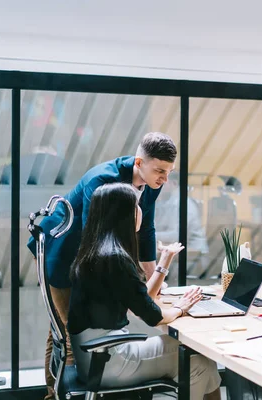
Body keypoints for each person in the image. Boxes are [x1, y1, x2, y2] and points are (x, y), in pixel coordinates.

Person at [27, 132, 177, 400]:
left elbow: (146, 229)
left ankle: (55, 393)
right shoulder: (102, 180)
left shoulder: (152, 181)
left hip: (87, 258)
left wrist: (151, 274)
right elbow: (92, 237)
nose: (164, 179)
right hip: (61, 255)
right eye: (160, 171)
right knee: (69, 336)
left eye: (168, 172)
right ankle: (62, 395)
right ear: (139, 162)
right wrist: (129, 280)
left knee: (60, 332)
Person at [68, 183, 221, 399]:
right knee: (197, 363)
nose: (140, 211)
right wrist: (179, 308)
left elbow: (143, 300)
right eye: (136, 206)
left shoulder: (97, 252)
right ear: (123, 214)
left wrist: (164, 262)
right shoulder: (116, 258)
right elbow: (153, 316)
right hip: (109, 360)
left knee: (201, 357)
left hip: (94, 356)